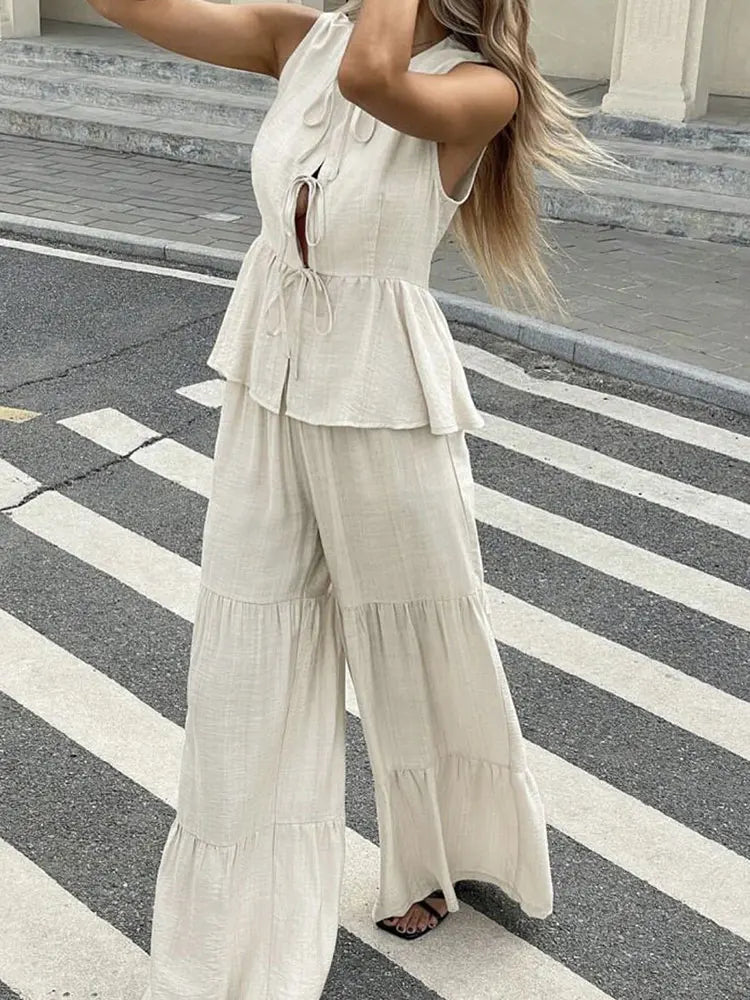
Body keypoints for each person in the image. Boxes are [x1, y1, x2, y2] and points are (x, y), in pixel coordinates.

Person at [88, 1, 609, 996]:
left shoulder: (482, 88)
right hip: (270, 372)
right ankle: (242, 926)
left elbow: (376, 78)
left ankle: (444, 856)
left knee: (417, 641)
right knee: (250, 644)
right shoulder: (302, 38)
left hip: (383, 390)